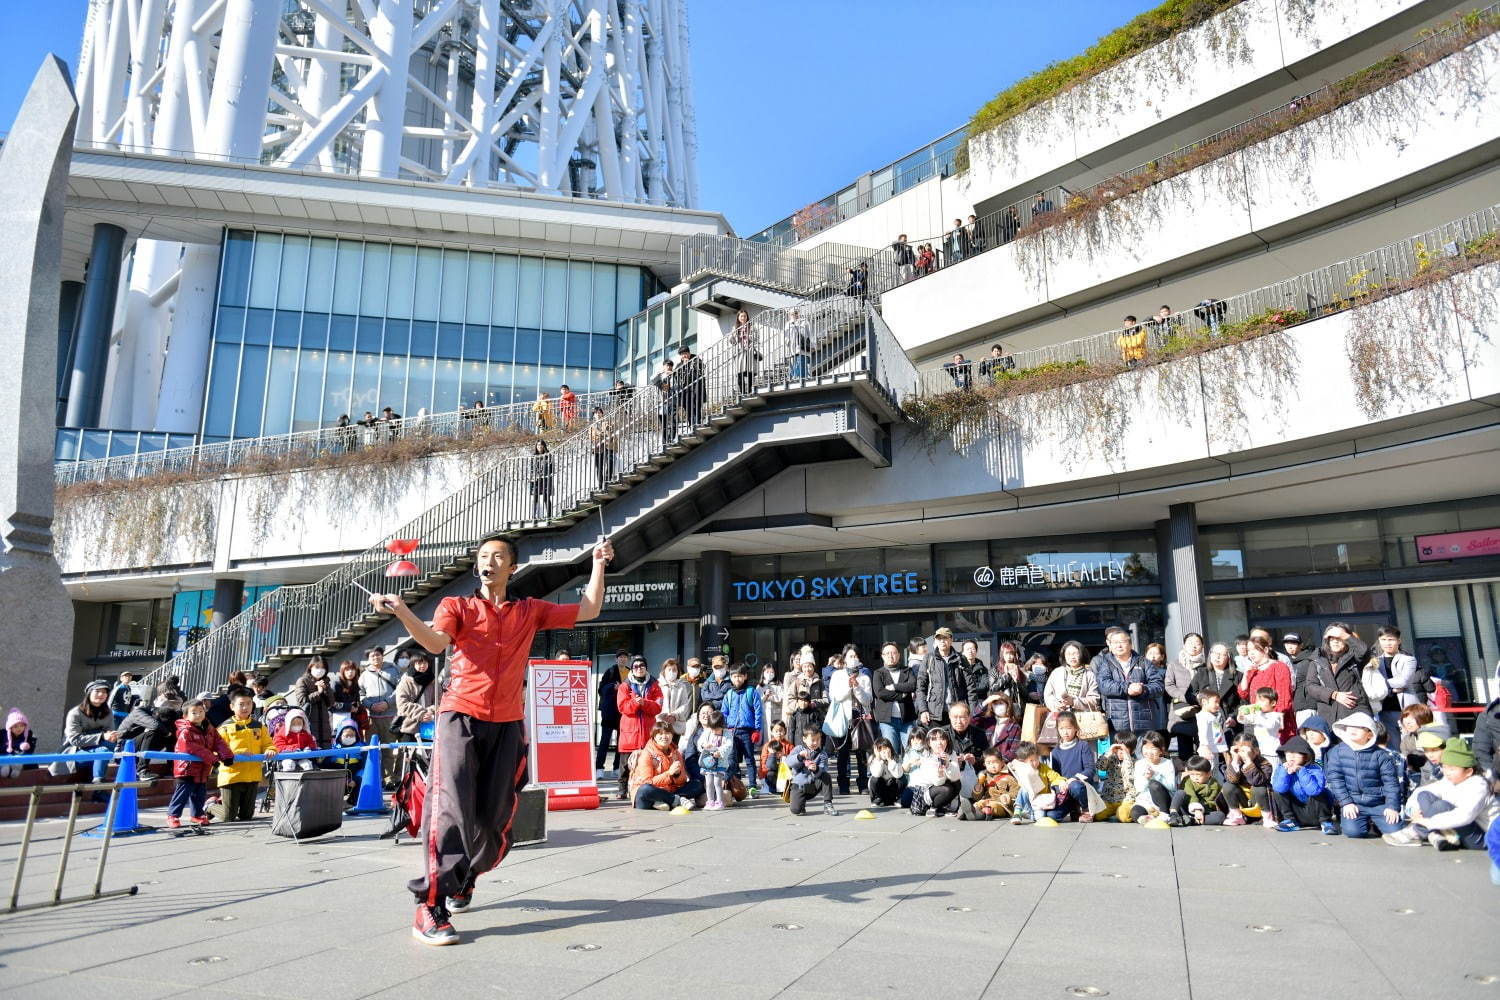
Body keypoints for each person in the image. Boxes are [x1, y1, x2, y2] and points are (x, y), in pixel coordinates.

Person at [368, 532, 613, 946]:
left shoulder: (529, 610)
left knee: (497, 819)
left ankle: (464, 877)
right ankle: (430, 904)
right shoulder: (456, 606)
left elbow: (588, 609)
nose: (489, 561)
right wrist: (404, 612)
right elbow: (434, 642)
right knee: (450, 809)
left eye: (498, 556)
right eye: (483, 556)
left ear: (512, 567)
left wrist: (599, 564)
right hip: (460, 716)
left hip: (507, 723)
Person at [1384, 738, 1495, 850]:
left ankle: (1414, 833)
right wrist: (1414, 811)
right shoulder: (1450, 780)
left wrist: (1428, 822)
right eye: (1445, 767)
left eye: (1452, 769)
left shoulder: (1479, 785)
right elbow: (1422, 792)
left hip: (1484, 837)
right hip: (1459, 828)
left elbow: (1464, 816)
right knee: (1425, 795)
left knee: (1442, 805)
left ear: (1469, 772)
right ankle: (1435, 834)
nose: (1447, 772)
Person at [1324, 712, 1402, 839]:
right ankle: (1362, 822)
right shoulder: (1337, 751)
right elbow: (1335, 779)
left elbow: (1391, 783)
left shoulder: (1381, 755)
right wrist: (1346, 802)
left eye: (1360, 727)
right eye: (1350, 726)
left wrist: (1392, 806)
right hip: (1354, 802)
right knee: (1354, 832)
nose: (1353, 729)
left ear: (1370, 733)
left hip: (1378, 802)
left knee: (1395, 831)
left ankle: (1378, 825)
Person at [170, 699, 233, 830]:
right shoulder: (185, 731)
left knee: (199, 793)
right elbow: (192, 748)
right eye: (194, 712)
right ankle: (173, 815)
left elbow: (219, 742)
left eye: (201, 711)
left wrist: (226, 756)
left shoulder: (209, 728)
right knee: (182, 794)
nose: (199, 714)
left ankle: (197, 814)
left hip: (203, 768)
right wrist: (214, 760)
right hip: (186, 768)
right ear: (185, 716)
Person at [1095, 627, 1165, 737]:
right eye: (1115, 643)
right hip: (1117, 723)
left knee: (1143, 753)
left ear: (1130, 644)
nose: (1119, 645)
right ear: (1110, 646)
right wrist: (1127, 688)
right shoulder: (1106, 664)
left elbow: (1159, 686)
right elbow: (1104, 685)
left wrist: (1143, 689)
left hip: (1144, 721)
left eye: (1122, 642)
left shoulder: (1144, 662)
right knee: (1121, 753)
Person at [217, 691, 275, 822]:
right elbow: (217, 749)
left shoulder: (259, 726)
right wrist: (236, 753)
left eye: (248, 704)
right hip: (231, 776)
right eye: (241, 704)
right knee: (228, 816)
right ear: (232, 707)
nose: (245, 707)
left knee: (246, 816)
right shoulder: (225, 727)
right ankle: (210, 806)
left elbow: (268, 743)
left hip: (252, 776)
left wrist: (270, 750)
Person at [824, 647, 873, 795]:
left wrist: (857, 686)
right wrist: (848, 686)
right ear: (844, 658)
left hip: (860, 718)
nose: (853, 658)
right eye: (850, 656)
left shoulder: (864, 676)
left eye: (856, 655)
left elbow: (867, 700)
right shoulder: (837, 675)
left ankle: (863, 784)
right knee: (843, 753)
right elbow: (835, 697)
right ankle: (843, 784)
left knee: (861, 752)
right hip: (843, 717)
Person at [1306, 623, 1372, 728]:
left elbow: (1364, 651)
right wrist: (1334, 695)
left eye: (1339, 638)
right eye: (1332, 639)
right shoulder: (1317, 659)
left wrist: (1344, 635)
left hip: (1354, 712)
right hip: (1329, 715)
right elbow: (1310, 686)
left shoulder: (1353, 657)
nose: (1336, 641)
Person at [1238, 635, 1296, 746]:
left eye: (1255, 649)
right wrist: (1245, 674)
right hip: (1257, 720)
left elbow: (1284, 697)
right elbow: (1243, 693)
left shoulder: (1279, 666)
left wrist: (1275, 718)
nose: (1251, 653)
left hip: (1276, 720)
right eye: (1249, 650)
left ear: (1265, 649)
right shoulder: (1252, 670)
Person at [1271, 736, 1336, 833]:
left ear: (1306, 756)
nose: (1291, 756)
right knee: (1277, 791)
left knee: (1320, 792)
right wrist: (1285, 772)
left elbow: (1314, 791)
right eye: (1288, 753)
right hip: (1297, 812)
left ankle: (1326, 823)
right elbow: (1279, 789)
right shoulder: (1281, 768)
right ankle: (1290, 821)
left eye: (1296, 753)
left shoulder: (1315, 769)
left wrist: (1301, 770)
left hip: (1315, 813)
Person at [59, 681, 118, 784]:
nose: (101, 694)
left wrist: (113, 737)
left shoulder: (108, 713)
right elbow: (74, 740)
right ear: (89, 693)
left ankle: (132, 774)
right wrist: (102, 736)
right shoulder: (75, 713)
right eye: (97, 691)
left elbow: (110, 735)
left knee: (111, 746)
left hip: (98, 749)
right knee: (103, 752)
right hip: (75, 752)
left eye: (104, 692)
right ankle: (98, 786)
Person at [617, 656, 663, 784]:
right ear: (632, 669)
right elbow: (622, 707)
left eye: (642, 665)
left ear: (646, 667)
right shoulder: (625, 686)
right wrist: (635, 703)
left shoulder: (655, 685)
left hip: (648, 731)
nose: (639, 668)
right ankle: (622, 789)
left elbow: (658, 707)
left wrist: (644, 703)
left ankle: (643, 787)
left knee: (647, 763)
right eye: (635, 666)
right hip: (629, 731)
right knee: (625, 764)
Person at [1047, 711, 1100, 822]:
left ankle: (1085, 810)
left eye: (1069, 728)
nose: (1065, 732)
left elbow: (1090, 770)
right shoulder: (1056, 751)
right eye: (1061, 729)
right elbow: (1055, 775)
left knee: (1075, 787)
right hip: (1065, 791)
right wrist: (1060, 783)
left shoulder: (1083, 746)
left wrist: (1074, 779)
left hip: (1081, 787)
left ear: (1075, 728)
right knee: (1052, 815)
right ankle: (1073, 808)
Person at [628, 722, 692, 811]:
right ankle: (675, 800)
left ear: (672, 735)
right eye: (660, 734)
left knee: (697, 784)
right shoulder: (647, 753)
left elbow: (682, 782)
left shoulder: (676, 753)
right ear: (654, 737)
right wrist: (669, 773)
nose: (664, 736)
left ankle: (664, 801)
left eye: (667, 733)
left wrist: (677, 775)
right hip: (647, 794)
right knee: (645, 789)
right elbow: (647, 781)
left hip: (669, 791)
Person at [720, 663, 763, 797]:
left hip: (747, 731)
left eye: (739, 676)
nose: (737, 679)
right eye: (734, 676)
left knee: (749, 759)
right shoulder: (729, 693)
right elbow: (724, 712)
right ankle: (735, 785)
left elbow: (758, 711)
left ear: (745, 677)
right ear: (730, 678)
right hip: (732, 731)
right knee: (732, 760)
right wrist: (725, 729)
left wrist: (757, 729)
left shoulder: (751, 692)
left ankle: (752, 786)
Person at [360, 646, 400, 782]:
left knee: (388, 749)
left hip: (390, 716)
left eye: (378, 655)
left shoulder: (393, 670)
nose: (375, 658)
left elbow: (400, 691)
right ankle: (374, 778)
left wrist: (387, 703)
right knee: (372, 750)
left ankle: (389, 778)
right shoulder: (364, 675)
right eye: (372, 656)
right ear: (369, 659)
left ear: (383, 655)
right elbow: (361, 694)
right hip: (371, 718)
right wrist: (370, 705)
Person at [917, 627, 969, 727]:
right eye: (939, 638)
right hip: (935, 713)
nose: (942, 641)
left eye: (945, 638)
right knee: (937, 741)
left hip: (957, 712)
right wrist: (923, 710)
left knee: (956, 742)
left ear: (951, 640)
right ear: (935, 640)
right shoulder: (929, 658)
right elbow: (920, 687)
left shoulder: (960, 659)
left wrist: (971, 711)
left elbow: (970, 687)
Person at [1221, 733, 1275, 827]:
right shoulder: (1235, 762)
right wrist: (1235, 761)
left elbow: (1257, 781)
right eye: (1238, 750)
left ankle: (1267, 818)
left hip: (1259, 801)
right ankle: (1237, 817)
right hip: (1243, 800)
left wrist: (1248, 762)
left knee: (1259, 787)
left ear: (1256, 751)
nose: (1241, 753)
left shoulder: (1264, 763)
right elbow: (1231, 780)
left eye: (1245, 750)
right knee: (1227, 786)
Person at [1008, 740, 1067, 825]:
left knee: (1040, 818)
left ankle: (1029, 814)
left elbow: (1054, 776)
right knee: (1024, 789)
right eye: (1031, 761)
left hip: (1041, 800)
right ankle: (1017, 812)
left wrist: (1061, 781)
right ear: (1024, 761)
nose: (1035, 763)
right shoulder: (1023, 769)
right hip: (1029, 799)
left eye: (1036, 759)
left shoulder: (1044, 768)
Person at [909, 727, 962, 817]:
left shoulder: (951, 753)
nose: (939, 743)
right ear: (929, 743)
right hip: (925, 792)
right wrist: (940, 772)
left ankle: (944, 808)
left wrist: (948, 764)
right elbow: (937, 782)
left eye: (942, 739)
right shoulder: (927, 756)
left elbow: (956, 777)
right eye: (934, 739)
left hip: (942, 786)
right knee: (946, 789)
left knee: (957, 784)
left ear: (947, 741)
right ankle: (933, 808)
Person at [788, 726, 838, 816]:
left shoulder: (822, 754)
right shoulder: (799, 749)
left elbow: (823, 769)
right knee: (796, 810)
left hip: (813, 785)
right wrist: (799, 757)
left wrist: (817, 769)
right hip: (799, 785)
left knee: (826, 776)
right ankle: (801, 803)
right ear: (804, 739)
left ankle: (828, 804)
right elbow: (788, 762)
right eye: (812, 740)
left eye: (818, 739)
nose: (815, 742)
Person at [1130, 731, 1177, 825]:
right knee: (1135, 813)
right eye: (1146, 748)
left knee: (1153, 784)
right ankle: (1152, 818)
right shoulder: (1139, 764)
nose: (1149, 752)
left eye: (1153, 748)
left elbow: (1172, 786)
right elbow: (1139, 788)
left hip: (1163, 800)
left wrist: (1155, 776)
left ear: (1161, 750)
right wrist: (1146, 778)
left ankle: (1164, 814)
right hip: (1146, 801)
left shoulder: (1167, 763)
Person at [288, 656, 334, 748]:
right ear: (310, 667)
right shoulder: (303, 681)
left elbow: (331, 703)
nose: (320, 670)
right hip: (308, 721)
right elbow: (302, 701)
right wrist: (318, 692)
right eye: (317, 667)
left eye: (323, 667)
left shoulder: (326, 682)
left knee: (325, 752)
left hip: (324, 724)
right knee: (310, 749)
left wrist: (325, 690)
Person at [963, 747, 1020, 820]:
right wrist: (977, 789)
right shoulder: (984, 777)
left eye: (995, 762)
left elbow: (1016, 791)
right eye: (988, 763)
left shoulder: (1008, 777)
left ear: (1002, 762)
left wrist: (1008, 797)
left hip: (1002, 805)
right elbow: (976, 797)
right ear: (984, 764)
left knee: (992, 806)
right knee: (979, 803)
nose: (992, 766)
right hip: (987, 801)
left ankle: (978, 814)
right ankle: (966, 812)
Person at [1044, 640, 1100, 714]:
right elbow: (1048, 695)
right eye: (1068, 654)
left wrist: (1074, 702)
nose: (1072, 657)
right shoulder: (1057, 672)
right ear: (1064, 656)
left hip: (1082, 719)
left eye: (1075, 653)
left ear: (1082, 654)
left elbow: (1094, 700)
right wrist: (1056, 705)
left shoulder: (1089, 675)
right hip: (1059, 717)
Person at [116, 692, 182, 753]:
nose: (171, 709)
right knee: (153, 732)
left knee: (170, 733)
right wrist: (169, 733)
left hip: (138, 745)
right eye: (170, 705)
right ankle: (142, 765)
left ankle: (171, 763)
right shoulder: (139, 711)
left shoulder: (160, 715)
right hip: (124, 747)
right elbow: (154, 725)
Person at [596, 650, 627, 775]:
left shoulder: (631, 672)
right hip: (609, 711)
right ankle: (599, 768)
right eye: (620, 657)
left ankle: (616, 767)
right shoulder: (610, 671)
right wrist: (613, 688)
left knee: (621, 741)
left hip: (623, 712)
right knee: (605, 740)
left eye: (625, 657)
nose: (623, 659)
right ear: (616, 659)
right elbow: (601, 689)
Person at [1169, 756, 1224, 827]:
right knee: (1180, 793)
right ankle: (1173, 815)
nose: (1195, 777)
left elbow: (1214, 801)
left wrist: (1203, 809)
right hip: (1186, 807)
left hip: (1204, 811)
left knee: (1220, 816)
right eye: (1192, 774)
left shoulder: (1214, 784)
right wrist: (1197, 809)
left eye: (1198, 775)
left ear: (1208, 774)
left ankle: (1191, 820)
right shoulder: (1187, 780)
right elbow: (1191, 795)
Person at [394, 650, 437, 741]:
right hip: (409, 727)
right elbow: (402, 704)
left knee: (430, 754)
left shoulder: (433, 681)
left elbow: (440, 701)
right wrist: (421, 714)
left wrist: (430, 713)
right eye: (419, 663)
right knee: (410, 754)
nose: (423, 665)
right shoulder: (406, 681)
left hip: (430, 726)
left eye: (425, 662)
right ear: (413, 664)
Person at [696, 710, 731, 811]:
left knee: (717, 782)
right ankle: (710, 801)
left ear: (722, 726)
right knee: (708, 782)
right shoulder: (707, 732)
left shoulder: (727, 733)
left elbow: (729, 745)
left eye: (717, 729)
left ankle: (719, 801)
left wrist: (720, 752)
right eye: (712, 729)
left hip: (720, 762)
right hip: (708, 761)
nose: (714, 732)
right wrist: (704, 745)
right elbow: (700, 742)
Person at [657, 660, 692, 741]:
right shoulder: (657, 684)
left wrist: (675, 716)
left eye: (674, 670)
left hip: (676, 725)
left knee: (674, 749)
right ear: (664, 671)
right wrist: (663, 716)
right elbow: (655, 704)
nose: (671, 672)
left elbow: (685, 705)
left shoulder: (682, 686)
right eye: (669, 669)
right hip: (660, 724)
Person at [760, 719, 793, 796]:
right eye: (776, 731)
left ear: (785, 731)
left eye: (781, 730)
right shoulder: (768, 745)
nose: (779, 733)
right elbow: (763, 762)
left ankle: (784, 788)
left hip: (785, 773)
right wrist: (762, 777)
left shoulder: (789, 745)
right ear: (772, 732)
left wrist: (785, 756)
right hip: (772, 773)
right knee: (770, 773)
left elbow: (793, 760)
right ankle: (773, 788)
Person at [675, 345, 705, 428]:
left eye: (685, 353)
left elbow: (700, 370)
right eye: (681, 354)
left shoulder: (696, 360)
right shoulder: (679, 365)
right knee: (688, 409)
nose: (683, 356)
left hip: (696, 389)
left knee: (696, 407)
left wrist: (688, 364)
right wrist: (683, 366)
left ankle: (697, 424)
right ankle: (691, 425)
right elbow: (675, 376)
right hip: (685, 392)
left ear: (689, 353)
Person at [867, 737, 903, 806]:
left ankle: (897, 799)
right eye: (880, 750)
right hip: (881, 788)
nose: (883, 752)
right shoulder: (873, 759)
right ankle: (877, 799)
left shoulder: (896, 758)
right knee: (873, 779)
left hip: (892, 787)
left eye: (885, 749)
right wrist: (878, 759)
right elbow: (876, 774)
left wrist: (890, 760)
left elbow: (899, 775)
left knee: (902, 778)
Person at [731, 308, 759, 395]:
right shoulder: (735, 328)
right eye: (741, 316)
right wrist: (735, 336)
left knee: (750, 371)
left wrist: (749, 335)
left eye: (745, 316)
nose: (743, 318)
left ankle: (750, 390)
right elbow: (732, 341)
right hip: (740, 351)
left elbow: (757, 338)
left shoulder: (752, 326)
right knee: (740, 372)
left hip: (749, 350)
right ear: (738, 317)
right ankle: (742, 392)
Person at [2, 709, 36, 777]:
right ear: (10, 728)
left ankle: (16, 768)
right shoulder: (3, 734)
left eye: (22, 726)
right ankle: (5, 768)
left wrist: (26, 747)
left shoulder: (28, 734)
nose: (19, 728)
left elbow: (30, 750)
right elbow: (2, 748)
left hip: (21, 759)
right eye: (15, 726)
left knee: (32, 763)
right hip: (6, 757)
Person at [588, 406, 615, 490]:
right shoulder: (592, 426)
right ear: (594, 415)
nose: (598, 414)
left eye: (599, 412)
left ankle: (608, 480)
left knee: (610, 462)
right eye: (596, 413)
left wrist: (603, 434)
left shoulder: (607, 422)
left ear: (602, 414)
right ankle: (600, 484)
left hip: (607, 446)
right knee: (599, 467)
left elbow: (610, 432)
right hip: (597, 448)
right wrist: (602, 434)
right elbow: (591, 437)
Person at [652, 359, 676, 446]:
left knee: (674, 421)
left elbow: (677, 387)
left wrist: (673, 375)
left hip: (672, 401)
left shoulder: (675, 375)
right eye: (667, 365)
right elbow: (654, 381)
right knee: (664, 424)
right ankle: (665, 442)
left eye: (670, 366)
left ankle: (671, 438)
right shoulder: (660, 376)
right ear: (663, 366)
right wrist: (662, 374)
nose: (669, 367)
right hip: (661, 403)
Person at [529, 440, 554, 520]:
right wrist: (534, 476)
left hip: (546, 478)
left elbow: (551, 468)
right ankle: (533, 516)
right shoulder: (534, 456)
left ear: (544, 446)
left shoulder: (548, 455)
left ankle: (549, 516)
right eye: (538, 445)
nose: (539, 446)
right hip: (536, 479)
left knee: (546, 497)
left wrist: (546, 474)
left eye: (541, 445)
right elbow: (532, 468)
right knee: (535, 497)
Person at [758, 664, 783, 742]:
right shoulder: (760, 686)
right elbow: (758, 702)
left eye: (772, 672)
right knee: (767, 733)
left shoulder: (779, 684)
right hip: (765, 714)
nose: (769, 674)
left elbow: (782, 698)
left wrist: (772, 697)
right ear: (763, 673)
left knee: (777, 730)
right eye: (767, 672)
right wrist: (765, 696)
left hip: (777, 713)